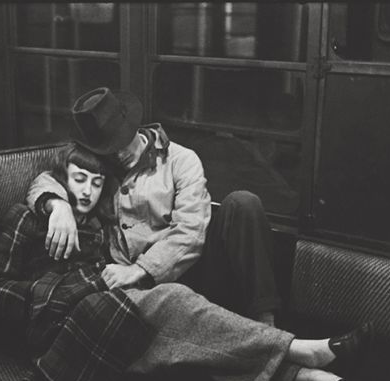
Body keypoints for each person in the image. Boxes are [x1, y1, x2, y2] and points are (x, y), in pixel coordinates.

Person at [0, 144, 376, 381]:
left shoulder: (100, 227)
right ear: (63, 180)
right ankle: (299, 352)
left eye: (96, 183)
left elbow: (183, 235)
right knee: (174, 302)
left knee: (187, 346)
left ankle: (309, 380)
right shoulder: (28, 219)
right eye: (78, 180)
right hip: (53, 331)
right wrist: (56, 210)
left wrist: (106, 278)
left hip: (104, 311)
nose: (86, 191)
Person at [26, 87, 283, 326]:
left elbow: (190, 232)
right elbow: (50, 177)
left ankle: (266, 320)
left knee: (243, 203)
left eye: (121, 142)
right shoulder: (99, 161)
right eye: (108, 148)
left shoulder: (181, 160)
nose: (116, 154)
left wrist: (139, 270)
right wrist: (57, 205)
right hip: (140, 288)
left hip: (191, 268)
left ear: (133, 127)